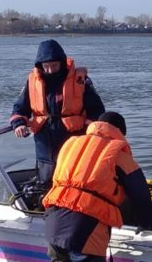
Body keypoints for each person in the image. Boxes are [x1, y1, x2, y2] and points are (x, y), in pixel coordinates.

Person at [42, 111, 152, 262]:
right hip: (85, 225)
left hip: (54, 217)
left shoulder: (70, 143)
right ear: (120, 132)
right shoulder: (118, 154)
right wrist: (149, 224)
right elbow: (140, 195)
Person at [9, 39, 105, 189]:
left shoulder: (80, 80)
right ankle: (47, 208)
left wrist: (89, 131)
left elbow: (97, 109)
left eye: (54, 66)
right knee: (46, 181)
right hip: (44, 142)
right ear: (40, 66)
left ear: (61, 63)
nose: (50, 70)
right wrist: (18, 124)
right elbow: (20, 107)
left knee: (73, 179)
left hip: (74, 138)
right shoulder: (33, 81)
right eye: (46, 66)